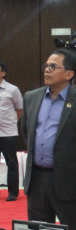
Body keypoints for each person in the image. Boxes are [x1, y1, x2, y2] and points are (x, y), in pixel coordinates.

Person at [22, 49, 76, 230]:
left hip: (68, 179)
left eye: (53, 67)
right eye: (46, 65)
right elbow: (27, 134)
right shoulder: (31, 98)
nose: (47, 70)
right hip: (37, 178)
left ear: (69, 74)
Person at [0, 62, 23, 202]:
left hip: (7, 132)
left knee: (11, 162)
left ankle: (13, 192)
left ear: (3, 73)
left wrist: (13, 122)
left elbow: (19, 109)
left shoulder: (12, 89)